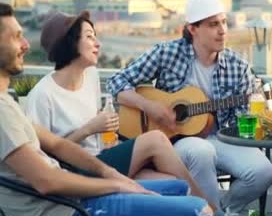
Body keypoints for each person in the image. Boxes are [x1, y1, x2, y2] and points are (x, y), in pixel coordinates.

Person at [0, 3, 211, 216]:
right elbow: (47, 181)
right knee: (198, 213)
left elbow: (57, 145)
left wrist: (110, 173)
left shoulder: (8, 104)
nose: (27, 44)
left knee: (179, 189)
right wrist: (116, 185)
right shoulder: (9, 110)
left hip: (74, 197)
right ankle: (213, 213)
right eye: (16, 37)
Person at [106, 0, 272, 216]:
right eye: (213, 24)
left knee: (263, 171)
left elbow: (242, 122)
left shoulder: (238, 66)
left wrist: (252, 109)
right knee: (199, 150)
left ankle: (226, 212)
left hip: (221, 137)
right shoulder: (166, 53)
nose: (222, 31)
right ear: (192, 29)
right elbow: (116, 82)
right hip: (173, 141)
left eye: (224, 23)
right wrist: (149, 106)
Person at [26, 11, 208, 203]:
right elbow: (42, 160)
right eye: (89, 37)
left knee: (171, 183)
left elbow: (97, 128)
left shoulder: (91, 76)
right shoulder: (42, 95)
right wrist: (89, 129)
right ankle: (209, 210)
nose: (98, 44)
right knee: (155, 140)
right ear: (68, 43)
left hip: (101, 158)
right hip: (74, 173)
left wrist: (107, 136)